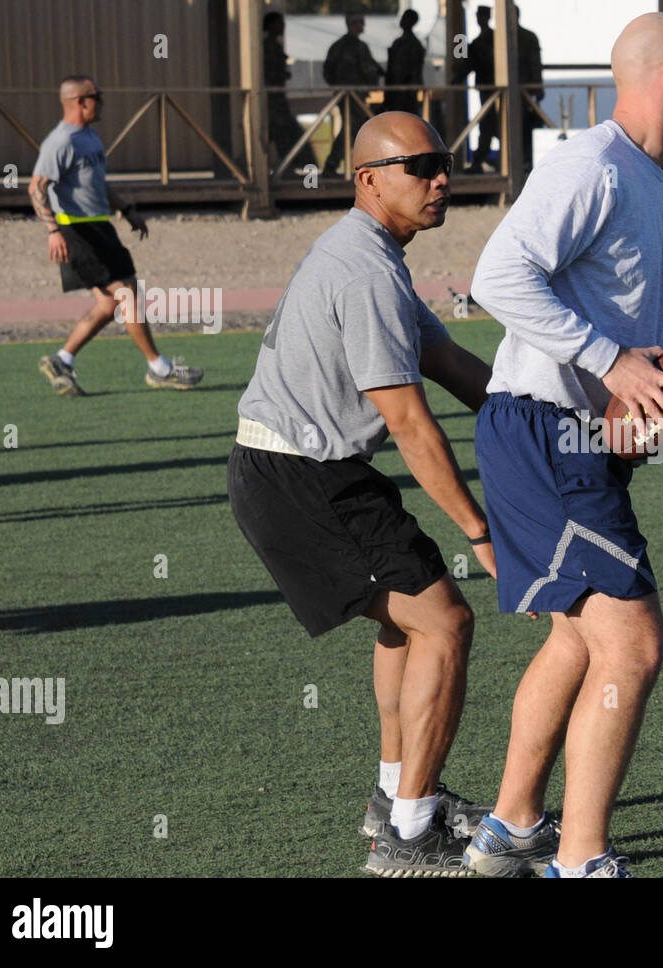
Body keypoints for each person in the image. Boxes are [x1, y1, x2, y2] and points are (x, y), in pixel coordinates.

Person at [462, 12, 663, 879]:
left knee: (578, 640)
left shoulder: (657, 182)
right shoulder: (590, 162)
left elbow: (630, 348)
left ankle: (507, 831)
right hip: (543, 431)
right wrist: (615, 362)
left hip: (572, 437)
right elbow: (497, 278)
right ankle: (581, 863)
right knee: (635, 645)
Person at [227, 112, 496, 878]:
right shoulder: (368, 269)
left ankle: (395, 798)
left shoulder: (372, 253)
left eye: (444, 162)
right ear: (368, 179)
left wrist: (555, 417)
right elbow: (409, 423)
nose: (440, 177)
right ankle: (409, 840)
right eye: (420, 165)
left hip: (307, 471)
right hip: (301, 478)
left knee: (411, 622)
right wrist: (479, 530)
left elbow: (448, 361)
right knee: (447, 621)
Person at [30, 76, 202, 396]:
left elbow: (96, 184)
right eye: (98, 97)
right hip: (75, 230)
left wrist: (126, 210)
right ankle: (158, 368)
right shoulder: (60, 141)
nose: (102, 102)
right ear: (80, 101)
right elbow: (36, 187)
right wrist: (53, 231)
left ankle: (61, 360)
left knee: (113, 303)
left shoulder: (90, 137)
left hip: (101, 228)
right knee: (125, 295)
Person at [322, 12, 383, 176]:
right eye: (359, 23)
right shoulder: (350, 47)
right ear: (352, 24)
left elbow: (373, 69)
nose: (362, 26)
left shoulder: (344, 46)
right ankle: (333, 165)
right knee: (353, 129)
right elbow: (369, 70)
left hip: (353, 96)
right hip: (351, 96)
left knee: (357, 130)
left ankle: (363, 166)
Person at [264, 12, 305, 166]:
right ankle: (287, 166)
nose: (282, 27)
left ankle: (286, 166)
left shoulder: (274, 45)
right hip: (273, 99)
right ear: (271, 25)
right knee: (281, 133)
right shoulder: (268, 46)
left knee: (279, 133)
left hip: (277, 97)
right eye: (279, 23)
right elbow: (269, 71)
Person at [460, 7, 498, 172]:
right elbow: (463, 61)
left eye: (481, 16)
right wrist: (458, 38)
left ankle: (483, 161)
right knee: (488, 125)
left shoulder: (493, 38)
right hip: (486, 90)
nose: (478, 19)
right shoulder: (477, 42)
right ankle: (479, 161)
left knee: (494, 125)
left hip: (495, 89)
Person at [517, 7, 545, 170]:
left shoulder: (527, 37)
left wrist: (537, 87)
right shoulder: (495, 37)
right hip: (508, 93)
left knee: (526, 127)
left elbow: (535, 63)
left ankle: (526, 160)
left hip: (524, 92)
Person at [384, 9, 425, 115]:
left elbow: (414, 70)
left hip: (407, 94)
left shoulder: (414, 45)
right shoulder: (398, 43)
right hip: (394, 92)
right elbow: (391, 69)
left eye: (406, 18)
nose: (402, 20)